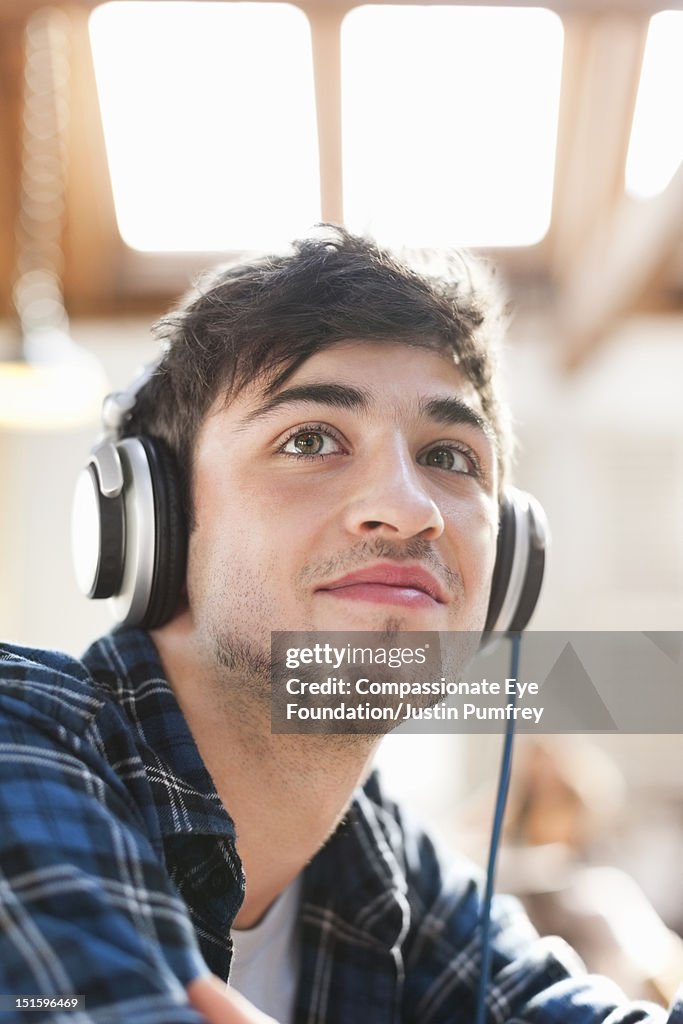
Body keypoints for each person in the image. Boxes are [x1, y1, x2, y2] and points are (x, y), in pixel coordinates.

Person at [0, 227, 680, 1023]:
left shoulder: (385, 864)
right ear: (152, 525)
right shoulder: (17, 741)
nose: (409, 508)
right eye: (311, 439)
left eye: (451, 457)